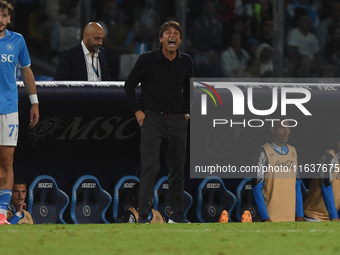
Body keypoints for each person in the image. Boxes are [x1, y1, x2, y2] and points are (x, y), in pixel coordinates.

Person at [124, 21, 193, 223]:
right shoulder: (147, 59)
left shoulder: (186, 61)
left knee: (178, 168)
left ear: (180, 40)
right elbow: (129, 85)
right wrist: (137, 110)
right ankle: (144, 215)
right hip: (152, 119)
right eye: (168, 33)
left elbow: (189, 90)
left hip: (177, 120)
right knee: (150, 167)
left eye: (176, 34)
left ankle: (176, 214)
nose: (172, 36)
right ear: (161, 38)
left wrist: (186, 114)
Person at [0, 1, 39, 225]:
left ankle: (2, 214)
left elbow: (26, 71)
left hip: (8, 110)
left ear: (9, 19)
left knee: (6, 162)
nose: (0, 19)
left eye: (4, 15)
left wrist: (34, 102)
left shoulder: (18, 41)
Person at [252, 119, 304, 222]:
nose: (286, 131)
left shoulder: (293, 151)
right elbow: (256, 187)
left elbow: (297, 184)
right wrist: (265, 217)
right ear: (273, 129)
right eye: (281, 128)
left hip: (291, 218)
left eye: (288, 128)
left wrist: (300, 215)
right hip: (271, 217)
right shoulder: (263, 152)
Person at [303, 131, 340, 221]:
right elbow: (326, 186)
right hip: (313, 217)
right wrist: (334, 216)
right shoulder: (329, 157)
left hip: (329, 218)